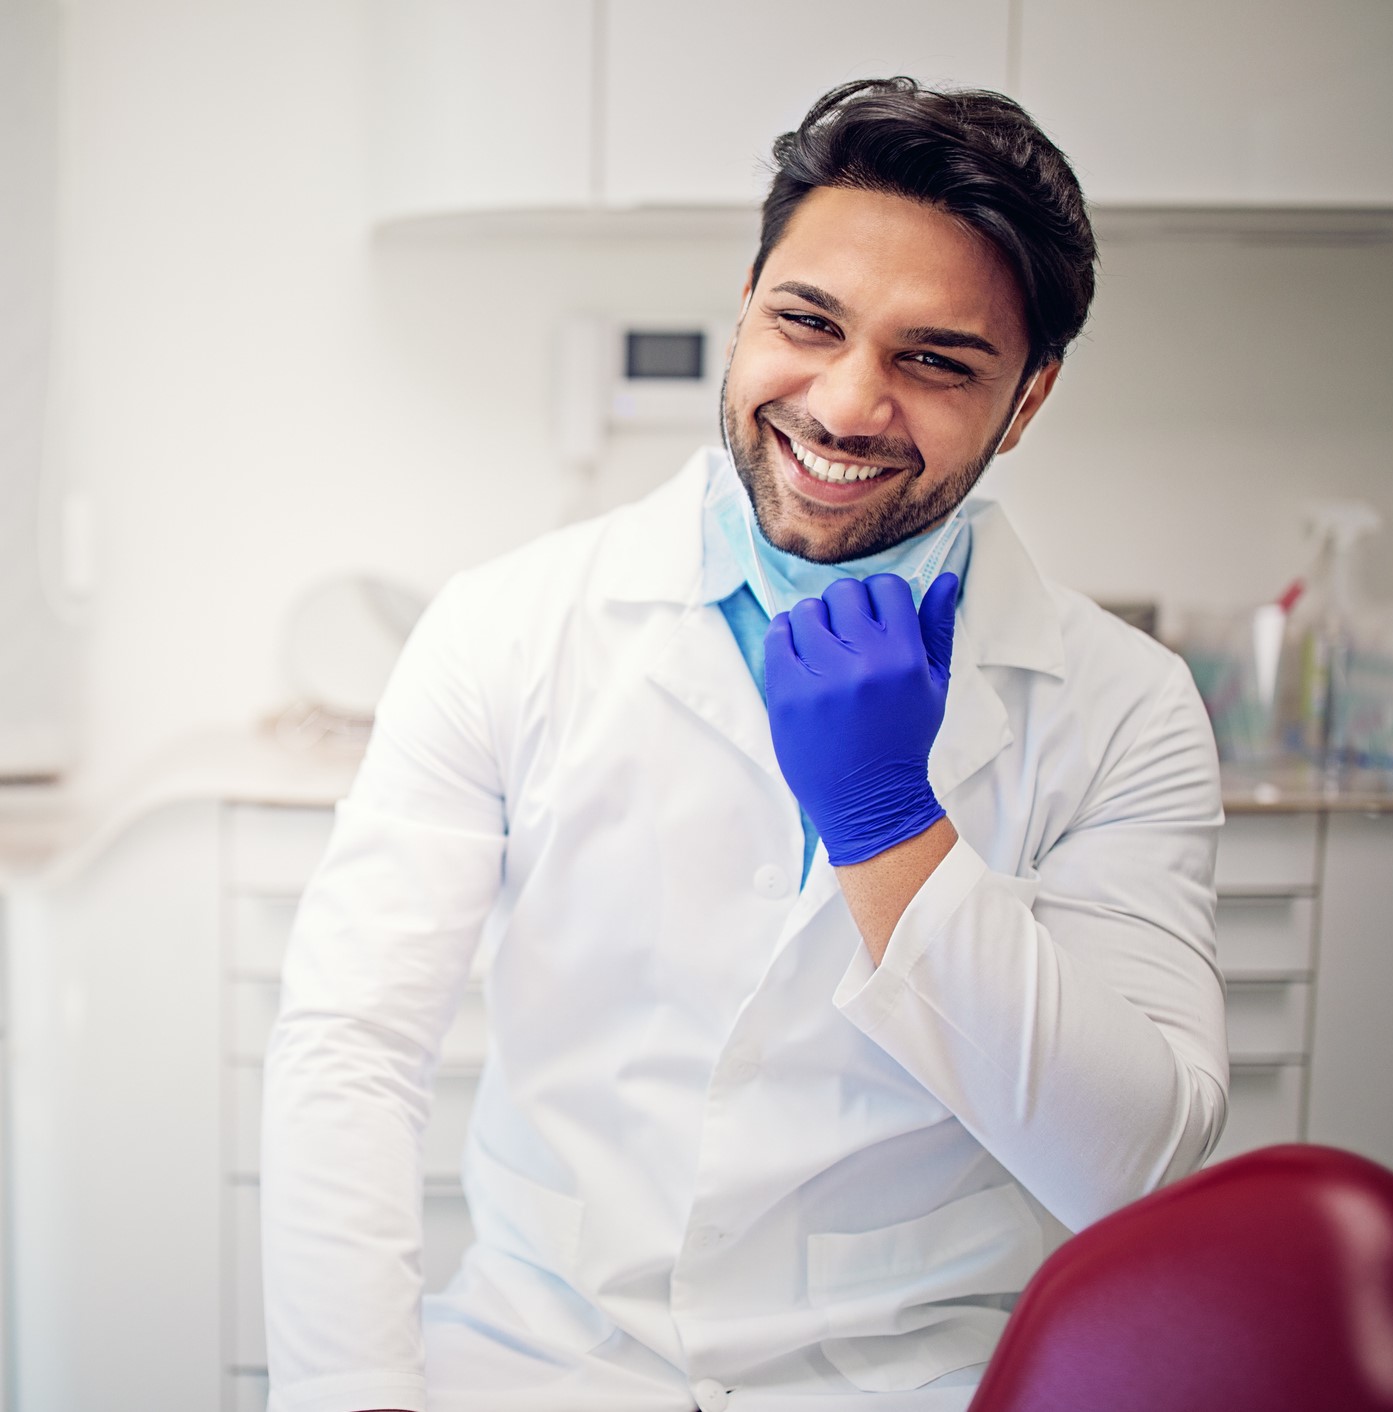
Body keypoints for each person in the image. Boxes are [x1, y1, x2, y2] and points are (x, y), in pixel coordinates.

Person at [261, 77, 1228, 1412]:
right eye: (807, 322)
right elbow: (352, 1049)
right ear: (746, 305)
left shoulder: (1127, 708)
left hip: (905, 1378)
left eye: (936, 361)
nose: (846, 404)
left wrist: (891, 827)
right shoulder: (506, 629)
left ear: (1027, 399)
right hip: (546, 1360)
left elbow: (1133, 1170)